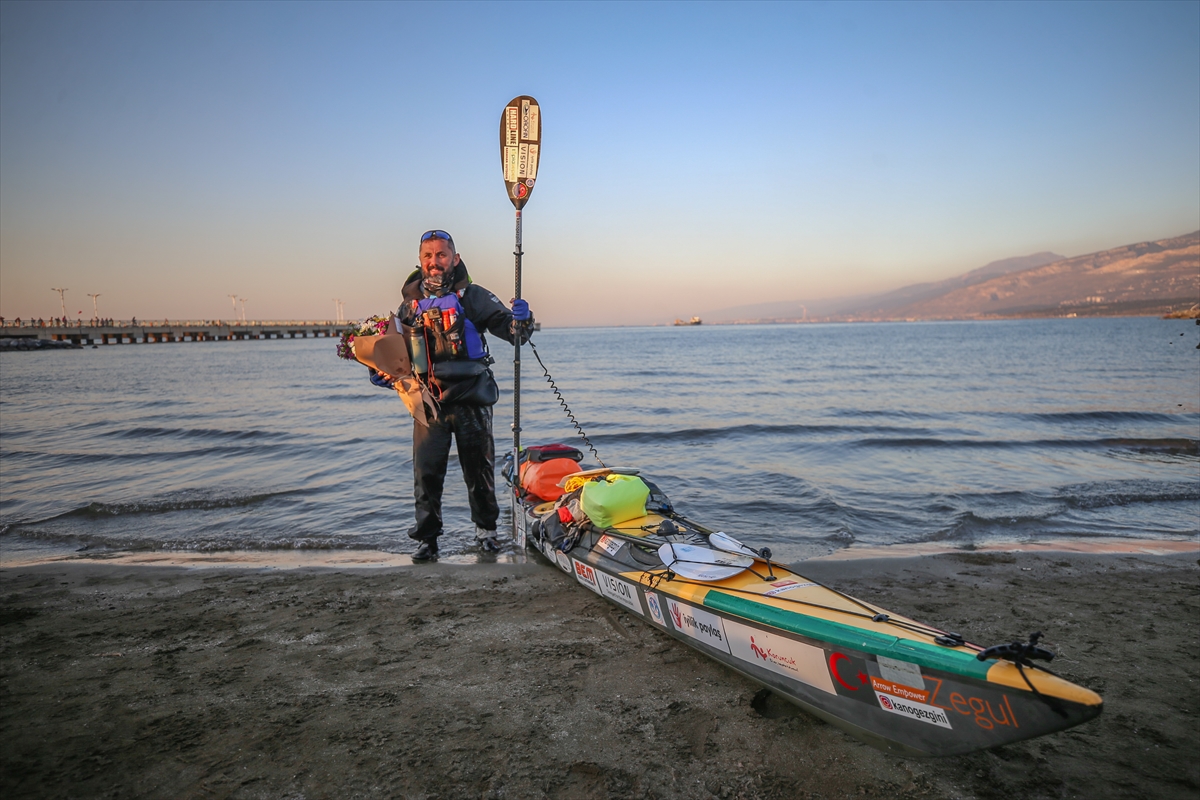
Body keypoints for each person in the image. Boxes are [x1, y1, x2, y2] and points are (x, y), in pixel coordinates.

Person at [370, 230, 533, 561]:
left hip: (472, 396)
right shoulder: (407, 307)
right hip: (427, 400)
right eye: (428, 256)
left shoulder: (473, 296)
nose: (434, 262)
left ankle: (486, 534)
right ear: (420, 261)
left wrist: (521, 320)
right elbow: (394, 355)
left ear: (455, 259)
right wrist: (379, 371)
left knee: (479, 472)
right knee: (426, 474)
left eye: (441, 255)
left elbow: (514, 335)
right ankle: (427, 541)